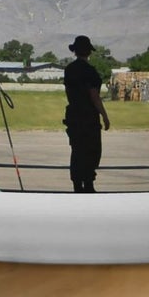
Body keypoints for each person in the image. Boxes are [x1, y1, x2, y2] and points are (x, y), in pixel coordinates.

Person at [62, 35, 109, 192]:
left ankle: (77, 184)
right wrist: (104, 115)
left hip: (74, 115)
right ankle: (88, 183)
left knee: (77, 150)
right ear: (88, 52)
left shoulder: (69, 70)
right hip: (88, 117)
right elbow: (94, 96)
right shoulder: (90, 72)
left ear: (75, 51)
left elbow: (69, 93)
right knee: (91, 150)